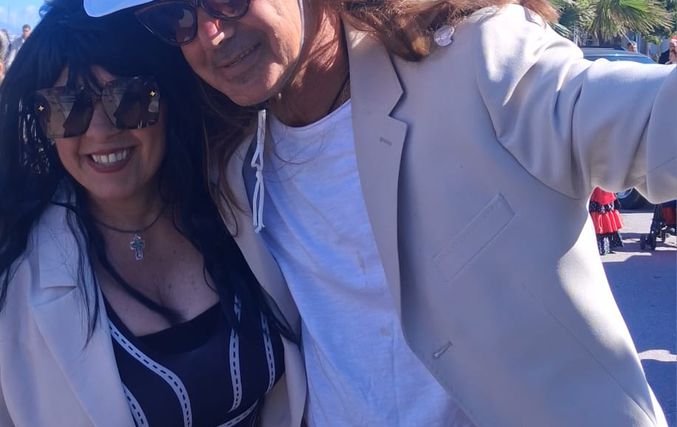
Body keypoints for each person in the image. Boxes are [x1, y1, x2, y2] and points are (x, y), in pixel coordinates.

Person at [88, 0, 676, 426]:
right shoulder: (236, 165)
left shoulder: (476, 62)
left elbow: (642, 119)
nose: (210, 35)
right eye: (177, 16)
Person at [0, 0, 299, 425]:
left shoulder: (243, 195)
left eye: (130, 98)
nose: (101, 132)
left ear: (169, 97)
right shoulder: (16, 280)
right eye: (68, 108)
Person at [588, 187, 624, 255]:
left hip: (603, 190)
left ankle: (604, 247)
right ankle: (603, 247)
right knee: (600, 212)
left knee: (603, 212)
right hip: (600, 190)